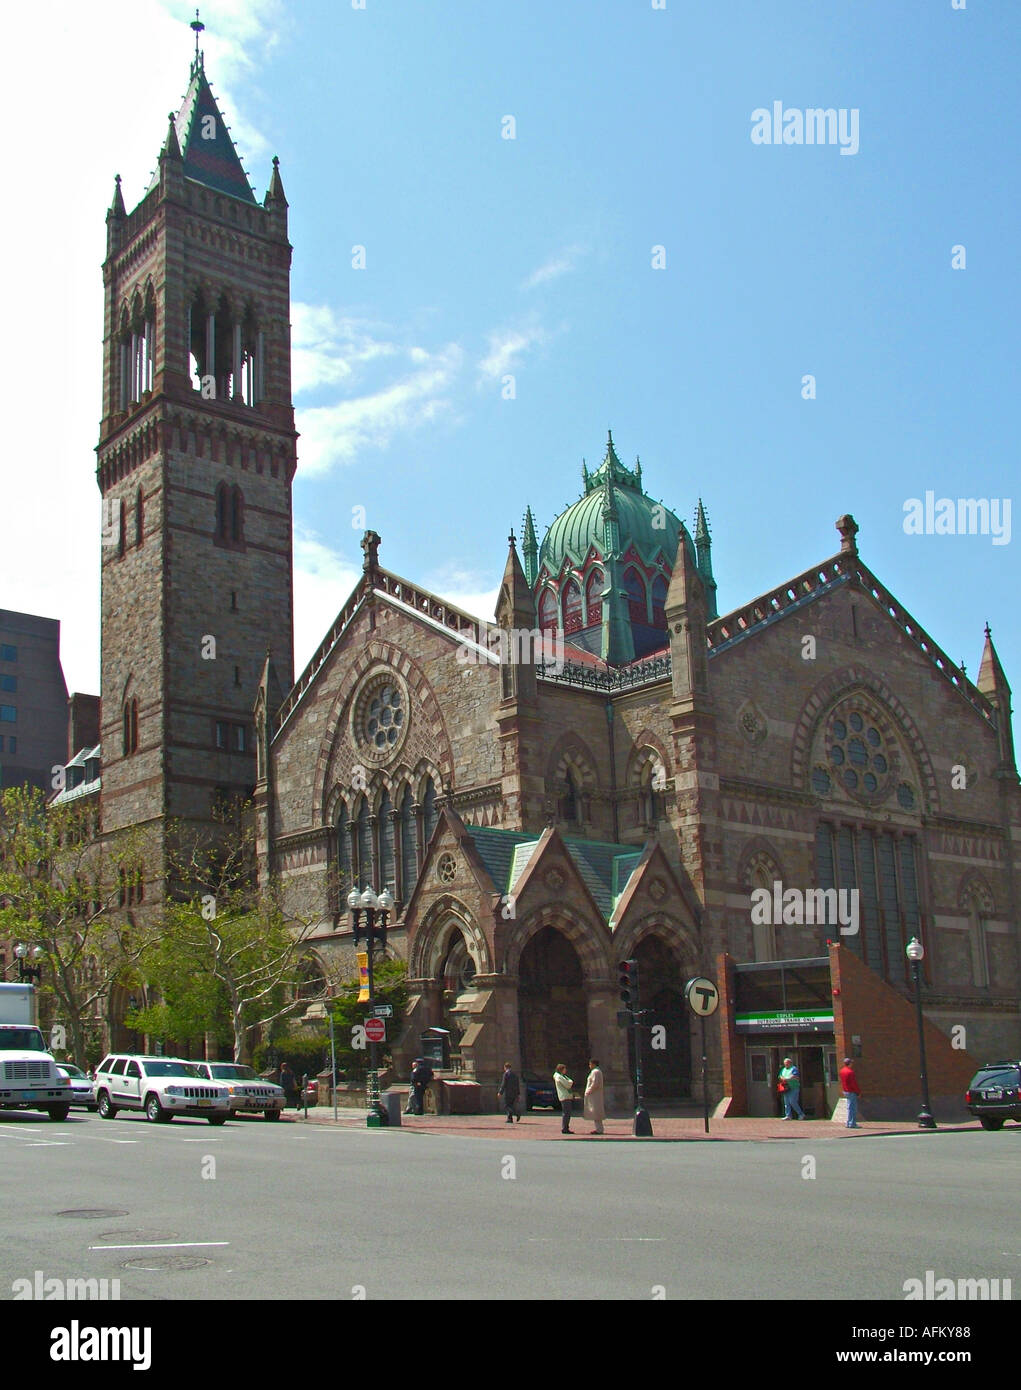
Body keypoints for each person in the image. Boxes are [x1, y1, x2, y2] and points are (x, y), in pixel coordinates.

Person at [583, 1058, 605, 1135]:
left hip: (595, 1095)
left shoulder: (596, 1072)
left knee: (596, 1112)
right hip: (595, 1094)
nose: (589, 1066)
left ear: (594, 1064)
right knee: (596, 1112)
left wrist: (588, 1091)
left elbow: (595, 1083)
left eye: (590, 1064)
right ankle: (599, 1128)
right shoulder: (596, 1071)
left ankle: (599, 1129)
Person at [839, 1056, 861, 1128]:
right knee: (853, 1108)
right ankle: (852, 1123)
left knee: (849, 1107)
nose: (852, 1064)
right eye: (851, 1063)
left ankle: (848, 1122)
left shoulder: (842, 1071)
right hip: (851, 1091)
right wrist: (858, 1092)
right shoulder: (850, 1072)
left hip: (845, 1090)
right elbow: (853, 1083)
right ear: (849, 1063)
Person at [553, 1063, 574, 1134]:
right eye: (564, 1069)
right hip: (565, 1096)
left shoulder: (563, 1076)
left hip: (567, 1095)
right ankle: (565, 1128)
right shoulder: (559, 1077)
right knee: (566, 1113)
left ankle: (566, 1127)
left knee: (567, 1113)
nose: (566, 1070)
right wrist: (570, 1082)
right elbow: (568, 1084)